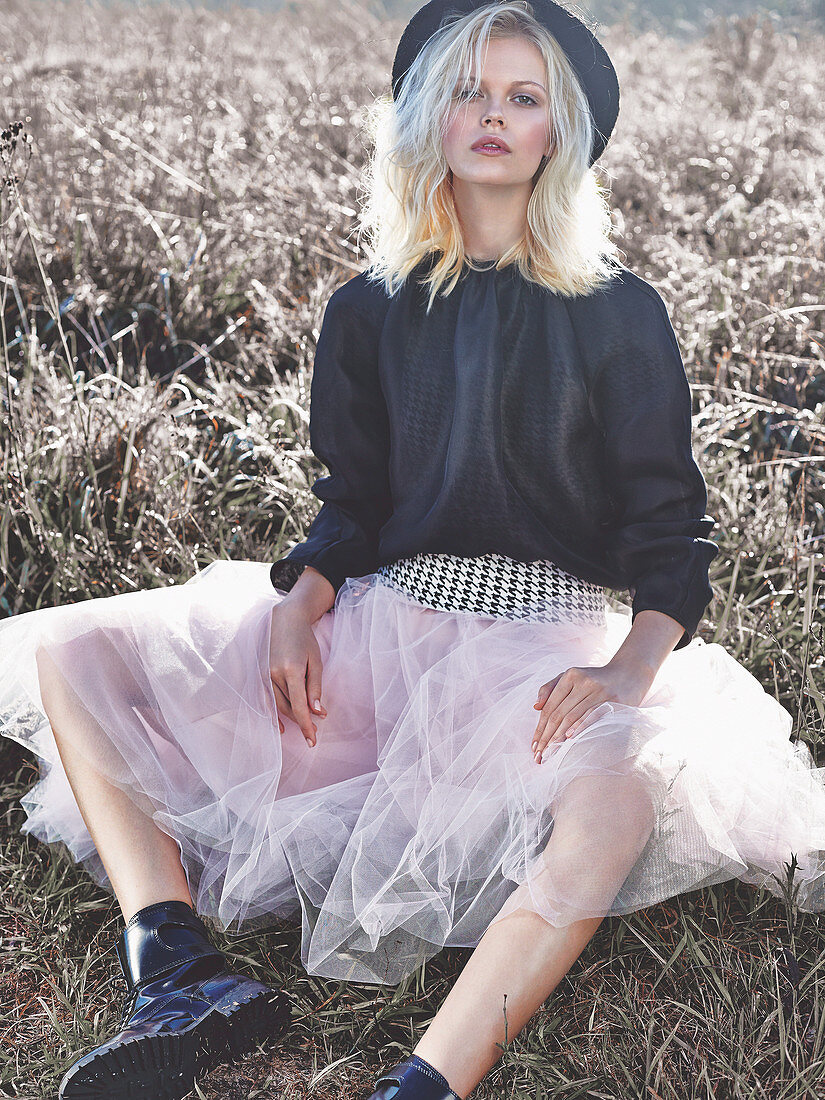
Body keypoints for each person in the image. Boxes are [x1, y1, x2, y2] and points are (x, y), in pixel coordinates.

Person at [2, 1, 825, 1098]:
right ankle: (179, 968)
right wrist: (302, 600)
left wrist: (627, 670)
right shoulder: (367, 309)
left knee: (616, 805)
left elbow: (672, 528)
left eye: (523, 97)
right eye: (467, 90)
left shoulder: (621, 313)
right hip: (389, 626)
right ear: (426, 117)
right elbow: (357, 503)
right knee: (81, 652)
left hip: (537, 658)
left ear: (557, 135)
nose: (492, 114)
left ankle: (425, 1080)